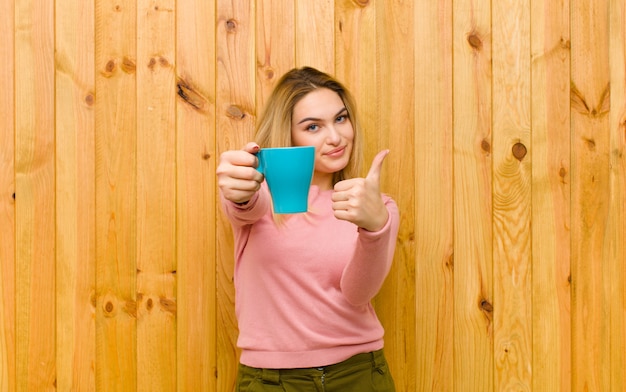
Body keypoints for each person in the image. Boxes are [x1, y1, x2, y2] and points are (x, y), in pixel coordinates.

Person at [217, 66, 399, 392]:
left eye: (341, 119)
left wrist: (374, 228)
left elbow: (358, 294)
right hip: (271, 381)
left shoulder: (377, 207)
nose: (335, 137)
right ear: (288, 135)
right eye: (313, 126)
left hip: (358, 374)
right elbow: (244, 204)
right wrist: (239, 188)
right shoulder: (261, 195)